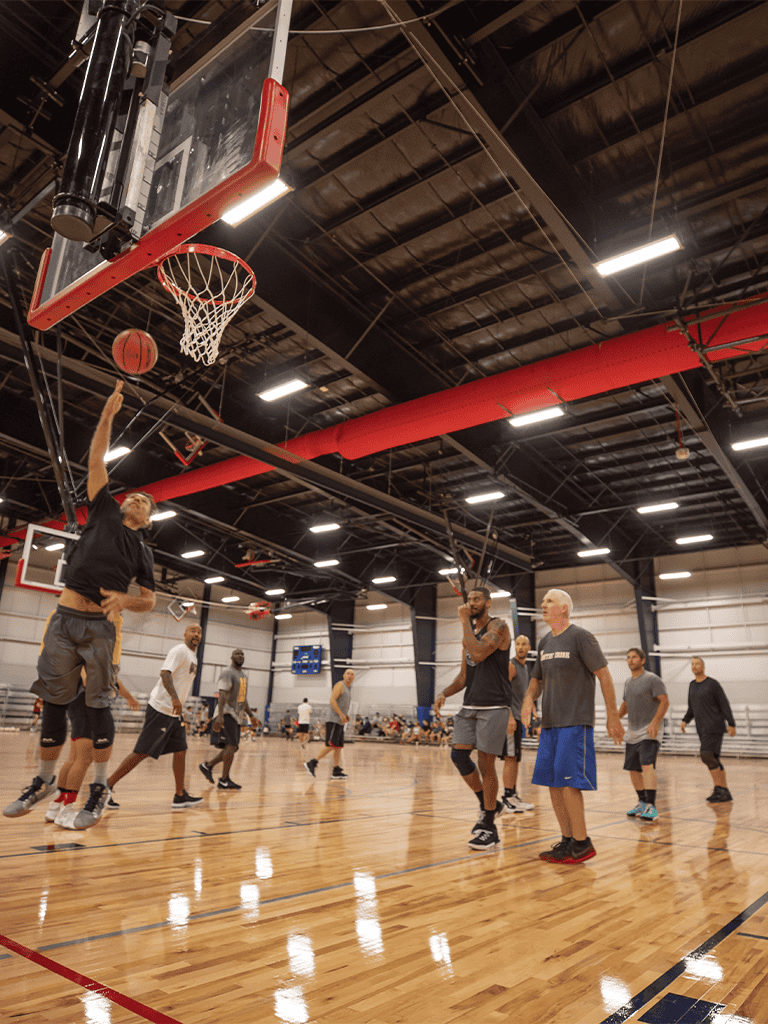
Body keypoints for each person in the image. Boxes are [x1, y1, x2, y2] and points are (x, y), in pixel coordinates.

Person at [4, 381, 156, 827]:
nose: (138, 498)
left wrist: (127, 600)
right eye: (136, 495)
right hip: (64, 618)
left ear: (147, 520)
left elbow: (148, 601)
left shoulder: (143, 552)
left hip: (98, 628)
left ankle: (100, 788)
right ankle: (44, 781)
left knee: (98, 707)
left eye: (146, 502)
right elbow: (94, 460)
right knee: (53, 702)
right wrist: (107, 416)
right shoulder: (105, 509)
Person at [521, 589, 624, 864]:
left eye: (549, 601)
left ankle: (582, 842)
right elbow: (536, 681)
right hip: (550, 724)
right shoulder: (543, 642)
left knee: (569, 784)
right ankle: (567, 841)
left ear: (564, 609)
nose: (543, 604)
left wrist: (612, 716)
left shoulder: (581, 637)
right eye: (542, 601)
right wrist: (528, 699)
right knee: (552, 784)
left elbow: (604, 675)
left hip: (575, 722)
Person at [434, 586, 512, 851]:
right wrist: (444, 692)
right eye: (469, 600)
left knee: (486, 764)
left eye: (477, 599)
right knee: (458, 755)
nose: (471, 603)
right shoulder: (470, 633)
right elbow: (465, 677)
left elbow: (479, 653)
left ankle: (489, 826)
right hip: (470, 706)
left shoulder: (499, 626)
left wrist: (464, 622)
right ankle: (489, 804)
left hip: (494, 706)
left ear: (488, 603)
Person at [105, 624, 204, 810]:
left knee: (181, 750)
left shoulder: (193, 656)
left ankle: (180, 795)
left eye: (199, 632)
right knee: (142, 752)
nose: (196, 634)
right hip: (161, 708)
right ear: (185, 634)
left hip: (174, 714)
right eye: (193, 631)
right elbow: (165, 674)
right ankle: (105, 788)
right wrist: (175, 698)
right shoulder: (179, 650)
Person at [46, 669, 140, 826]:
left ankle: (55, 807)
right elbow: (87, 678)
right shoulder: (93, 651)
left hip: (76, 704)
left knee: (73, 759)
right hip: (88, 705)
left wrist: (129, 698)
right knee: (82, 761)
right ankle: (66, 810)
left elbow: (116, 681)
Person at [619, 648, 670, 822]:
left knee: (647, 766)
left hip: (650, 732)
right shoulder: (627, 683)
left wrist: (655, 721)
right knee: (633, 769)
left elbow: (665, 701)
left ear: (642, 660)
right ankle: (642, 801)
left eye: (634, 657)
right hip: (632, 733)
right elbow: (625, 704)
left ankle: (651, 806)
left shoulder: (652, 679)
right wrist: (614, 718)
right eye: (628, 657)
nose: (631, 660)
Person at [199, 649, 260, 790]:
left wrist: (251, 715)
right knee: (231, 746)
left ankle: (207, 766)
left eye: (242, 654)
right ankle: (224, 779)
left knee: (234, 747)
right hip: (226, 713)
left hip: (236, 716)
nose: (240, 656)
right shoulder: (227, 673)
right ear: (232, 657)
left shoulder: (243, 677)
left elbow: (242, 699)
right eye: (237, 654)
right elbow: (222, 694)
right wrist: (220, 715)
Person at [681, 656, 736, 803]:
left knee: (706, 755)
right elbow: (691, 707)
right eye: (692, 664)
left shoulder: (712, 684)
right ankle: (722, 791)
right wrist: (685, 720)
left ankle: (721, 789)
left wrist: (731, 723)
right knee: (713, 757)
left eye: (697, 664)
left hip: (714, 725)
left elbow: (724, 703)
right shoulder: (692, 685)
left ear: (703, 666)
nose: (694, 666)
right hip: (702, 728)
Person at [501, 635, 535, 813]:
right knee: (510, 758)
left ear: (529, 647)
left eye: (524, 644)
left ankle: (512, 795)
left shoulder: (525, 667)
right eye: (518, 644)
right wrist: (509, 717)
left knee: (515, 759)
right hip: (510, 719)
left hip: (518, 719)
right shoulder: (511, 665)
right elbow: (502, 690)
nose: (521, 647)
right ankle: (507, 798)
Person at [304, 669, 354, 780]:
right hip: (334, 720)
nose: (350, 676)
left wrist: (345, 715)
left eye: (352, 674)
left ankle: (336, 770)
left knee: (338, 746)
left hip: (340, 720)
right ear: (343, 675)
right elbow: (332, 700)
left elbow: (342, 704)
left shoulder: (348, 688)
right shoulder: (340, 685)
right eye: (348, 673)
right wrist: (341, 714)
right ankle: (312, 762)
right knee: (331, 744)